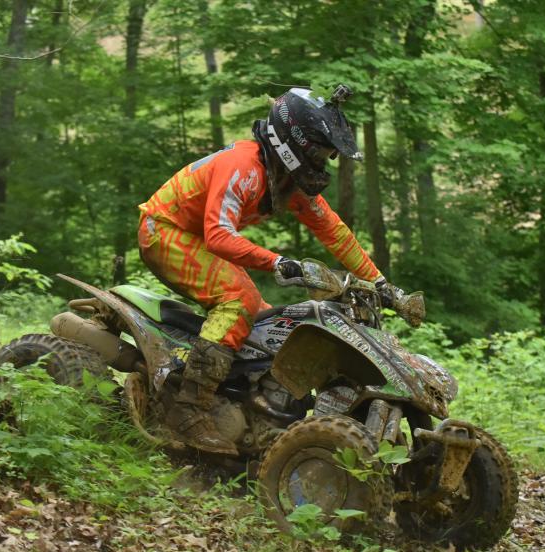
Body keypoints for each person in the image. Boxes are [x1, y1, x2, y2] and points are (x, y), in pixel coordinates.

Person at [137, 85, 403, 455]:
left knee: (266, 323)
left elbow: (336, 233)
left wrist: (380, 283)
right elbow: (217, 235)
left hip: (196, 239)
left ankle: (247, 409)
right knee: (238, 301)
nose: (324, 162)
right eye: (322, 153)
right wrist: (279, 262)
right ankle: (189, 410)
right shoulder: (243, 168)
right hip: (165, 230)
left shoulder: (288, 181)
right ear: (298, 144)